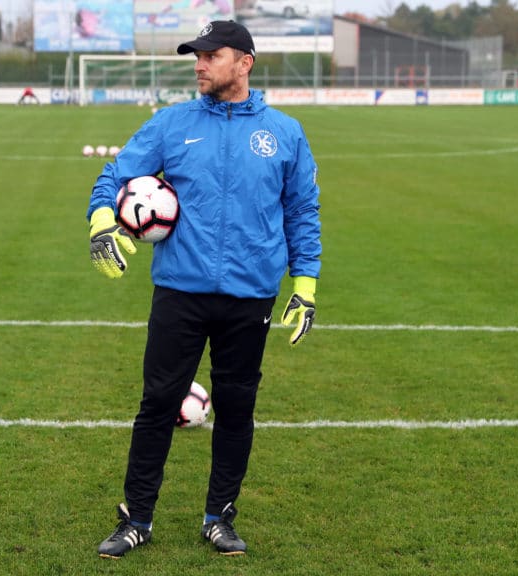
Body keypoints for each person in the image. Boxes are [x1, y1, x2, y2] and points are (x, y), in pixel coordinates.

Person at [86, 19, 321, 559]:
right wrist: (101, 220)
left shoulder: (285, 132)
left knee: (237, 409)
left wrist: (304, 284)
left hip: (251, 295)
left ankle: (220, 518)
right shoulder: (171, 124)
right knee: (156, 405)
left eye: (211, 55)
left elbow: (302, 212)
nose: (198, 64)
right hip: (181, 292)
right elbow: (115, 175)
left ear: (244, 63)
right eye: (196, 55)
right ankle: (136, 519)